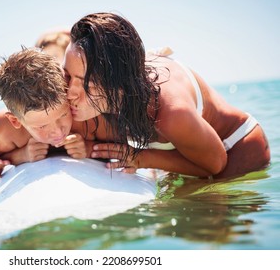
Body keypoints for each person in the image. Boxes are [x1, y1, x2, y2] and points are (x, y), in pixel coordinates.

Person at [63, 12, 270, 178]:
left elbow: (216, 165)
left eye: (85, 84)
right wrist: (87, 148)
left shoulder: (169, 111)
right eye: (67, 75)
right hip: (190, 149)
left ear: (117, 83)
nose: (69, 92)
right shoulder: (125, 76)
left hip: (235, 148)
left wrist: (142, 158)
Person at [0, 47, 90, 179]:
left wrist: (89, 148)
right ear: (15, 121)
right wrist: (22, 155)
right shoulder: (5, 127)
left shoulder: (83, 112)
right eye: (42, 126)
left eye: (63, 115)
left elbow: (119, 146)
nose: (57, 131)